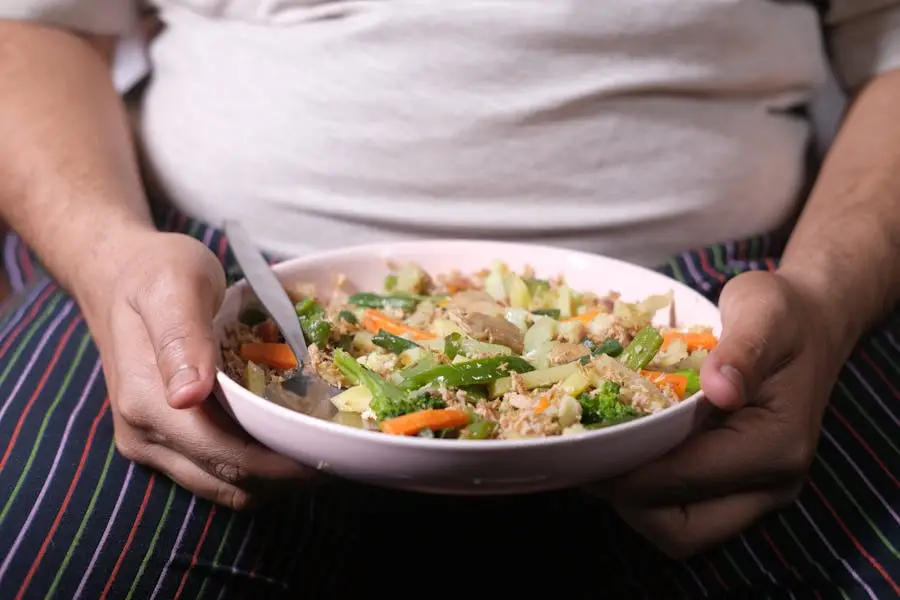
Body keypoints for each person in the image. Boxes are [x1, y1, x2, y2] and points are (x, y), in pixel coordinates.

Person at [0, 0, 898, 597]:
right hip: (197, 278)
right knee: (45, 557)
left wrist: (825, 296)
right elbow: (35, 28)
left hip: (727, 310)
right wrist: (108, 255)